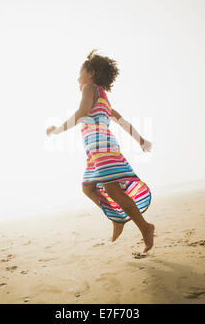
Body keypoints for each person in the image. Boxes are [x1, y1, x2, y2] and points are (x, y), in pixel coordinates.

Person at [46, 49, 154, 253]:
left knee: (112, 189)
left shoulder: (89, 88)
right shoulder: (104, 98)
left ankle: (145, 227)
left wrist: (57, 130)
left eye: (80, 72)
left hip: (102, 148)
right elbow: (123, 122)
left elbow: (82, 113)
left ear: (91, 73)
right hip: (96, 151)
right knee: (88, 188)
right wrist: (141, 140)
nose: (78, 77)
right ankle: (117, 219)